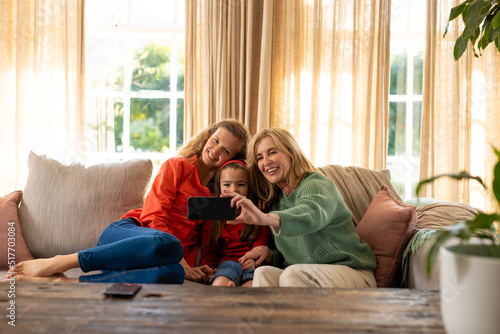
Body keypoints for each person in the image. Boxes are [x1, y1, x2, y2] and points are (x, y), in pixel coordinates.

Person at [5, 119, 251, 284]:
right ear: (209, 137)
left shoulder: (216, 195)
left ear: (232, 159)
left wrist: (204, 269)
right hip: (126, 235)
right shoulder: (178, 167)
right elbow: (155, 216)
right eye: (216, 140)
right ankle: (61, 262)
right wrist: (182, 259)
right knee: (171, 248)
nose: (216, 150)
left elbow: (207, 243)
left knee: (174, 273)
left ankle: (66, 281)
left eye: (226, 150)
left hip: (159, 257)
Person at [226, 128, 377, 288]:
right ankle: (254, 311)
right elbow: (294, 253)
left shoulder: (316, 183)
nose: (266, 162)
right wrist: (269, 255)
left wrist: (265, 218)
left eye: (272, 152)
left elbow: (309, 213)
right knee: (263, 273)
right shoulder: (278, 201)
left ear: (291, 153)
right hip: (312, 275)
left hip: (352, 272)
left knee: (293, 274)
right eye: (260, 158)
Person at [200, 160, 271, 287]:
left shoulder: (258, 210)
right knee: (219, 282)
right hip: (226, 264)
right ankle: (228, 292)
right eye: (227, 184)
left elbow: (262, 241)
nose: (234, 190)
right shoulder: (213, 216)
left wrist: (253, 260)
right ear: (219, 186)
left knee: (253, 285)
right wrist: (208, 269)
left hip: (252, 263)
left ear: (249, 186)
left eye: (241, 184)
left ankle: (241, 295)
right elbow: (209, 250)